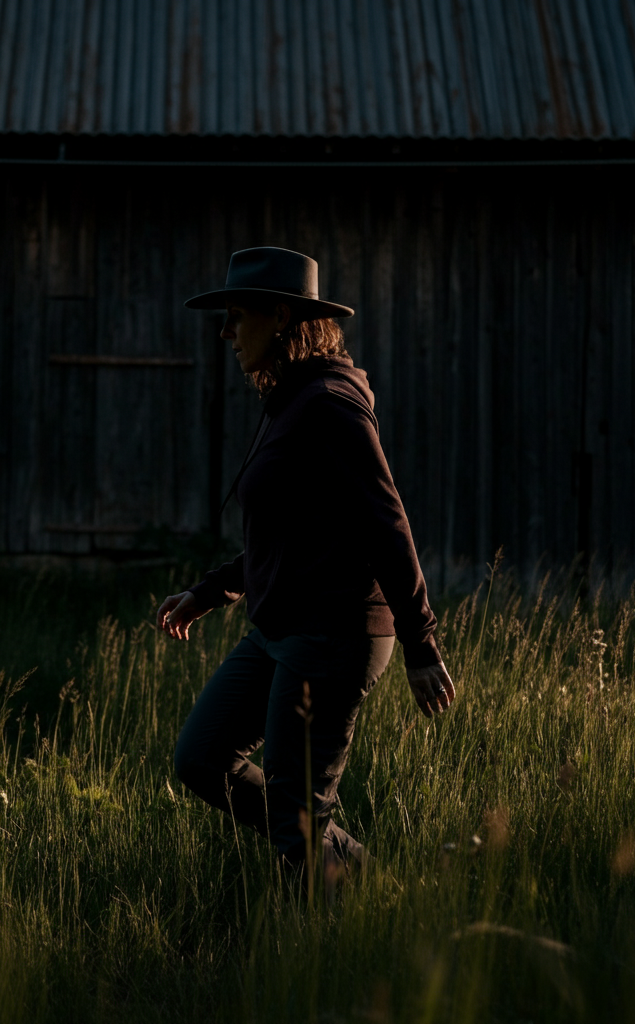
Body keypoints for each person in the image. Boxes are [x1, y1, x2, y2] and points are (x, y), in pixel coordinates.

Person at [156, 247, 455, 889]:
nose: (226, 333)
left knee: (296, 816)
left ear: (283, 316)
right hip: (280, 627)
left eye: (238, 316)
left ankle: (328, 942)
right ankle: (372, 881)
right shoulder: (288, 401)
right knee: (202, 758)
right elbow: (286, 537)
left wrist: (420, 642)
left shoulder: (329, 404)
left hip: (333, 633)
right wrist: (209, 592)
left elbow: (387, 521)